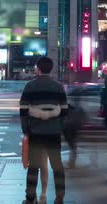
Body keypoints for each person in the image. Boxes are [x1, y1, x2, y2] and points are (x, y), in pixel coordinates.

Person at [20, 57, 68, 204]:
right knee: (57, 166)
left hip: (36, 132)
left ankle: (30, 198)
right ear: (51, 68)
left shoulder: (30, 86)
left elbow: (23, 111)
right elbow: (65, 111)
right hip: (53, 133)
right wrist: (59, 128)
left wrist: (26, 130)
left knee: (34, 167)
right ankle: (59, 197)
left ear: (38, 68)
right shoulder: (58, 87)